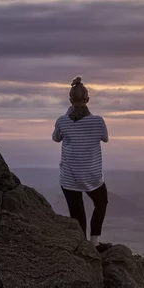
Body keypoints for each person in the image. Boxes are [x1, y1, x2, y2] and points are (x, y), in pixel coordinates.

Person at [52, 76, 112, 252]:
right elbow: (105, 139)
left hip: (69, 177)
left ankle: (81, 245)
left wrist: (68, 113)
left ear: (70, 100)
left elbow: (56, 138)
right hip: (92, 175)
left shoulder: (63, 120)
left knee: (77, 211)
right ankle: (94, 243)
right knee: (101, 203)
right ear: (88, 99)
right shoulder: (98, 121)